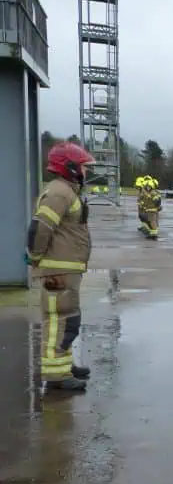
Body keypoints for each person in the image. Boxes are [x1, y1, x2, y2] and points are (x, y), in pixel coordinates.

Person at [25, 141, 96, 391]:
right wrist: (35, 257)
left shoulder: (64, 191)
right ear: (70, 167)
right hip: (58, 272)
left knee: (67, 320)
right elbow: (40, 228)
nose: (85, 172)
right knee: (60, 320)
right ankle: (56, 375)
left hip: (65, 270)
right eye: (83, 167)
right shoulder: (59, 193)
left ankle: (62, 365)